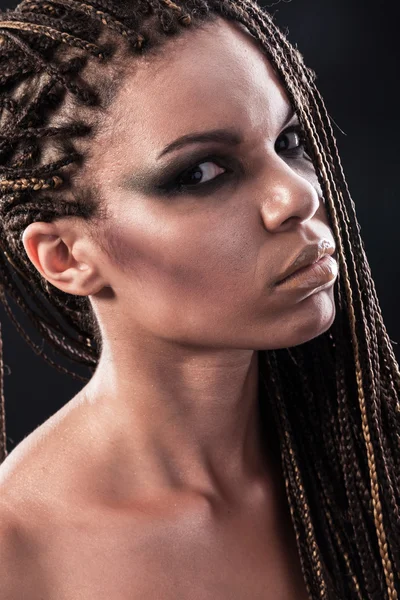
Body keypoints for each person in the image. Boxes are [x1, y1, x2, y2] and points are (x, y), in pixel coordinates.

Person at [0, 0, 398, 598]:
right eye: (201, 173)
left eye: (288, 140)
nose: (296, 195)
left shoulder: (377, 461)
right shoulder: (18, 552)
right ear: (66, 257)